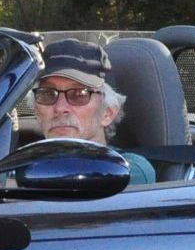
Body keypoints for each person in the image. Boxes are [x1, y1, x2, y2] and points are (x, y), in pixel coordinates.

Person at [33, 40, 156, 185]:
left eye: (79, 94)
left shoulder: (127, 169)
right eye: (48, 94)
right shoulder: (22, 164)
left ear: (108, 113)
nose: (60, 108)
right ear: (37, 112)